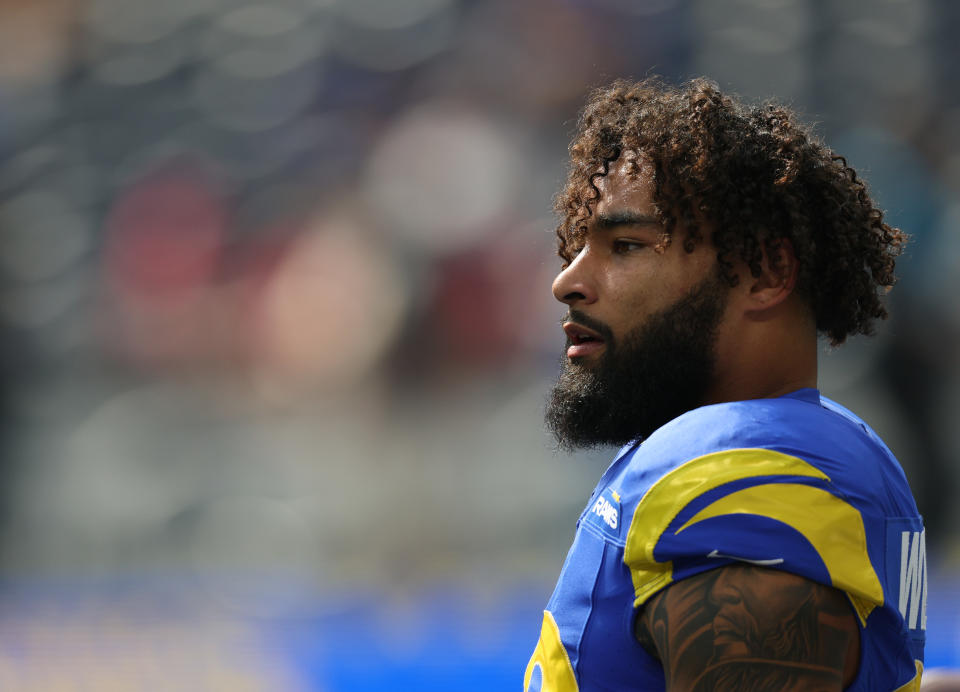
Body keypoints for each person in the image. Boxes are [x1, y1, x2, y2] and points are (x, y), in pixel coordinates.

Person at [525, 77, 926, 691]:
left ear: (765, 273)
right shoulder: (812, 449)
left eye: (625, 245)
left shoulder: (739, 477)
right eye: (579, 246)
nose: (568, 282)